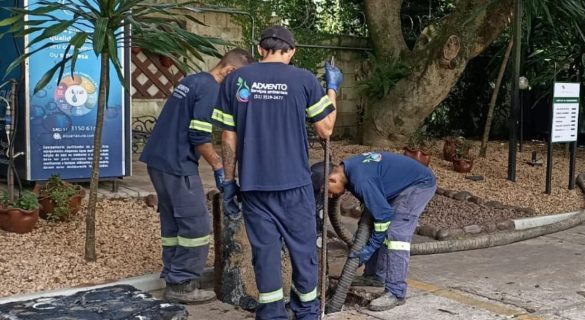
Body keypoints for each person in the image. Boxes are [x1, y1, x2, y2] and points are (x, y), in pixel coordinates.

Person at [211, 26, 343, 320]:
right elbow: (327, 129)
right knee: (304, 252)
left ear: (260, 49)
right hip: (294, 185)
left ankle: (271, 314)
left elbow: (228, 138)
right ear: (292, 51)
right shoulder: (304, 80)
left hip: (255, 186)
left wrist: (229, 181)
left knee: (266, 255)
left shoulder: (236, 80)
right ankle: (307, 311)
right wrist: (332, 88)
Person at [139, 48, 254, 304]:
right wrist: (218, 166)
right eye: (240, 80)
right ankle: (182, 285)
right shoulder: (211, 89)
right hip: (177, 165)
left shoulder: (192, 80)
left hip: (158, 161)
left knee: (173, 223)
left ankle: (173, 276)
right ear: (231, 71)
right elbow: (199, 137)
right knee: (196, 226)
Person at [311, 151, 437, 312]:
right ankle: (375, 276)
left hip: (418, 185)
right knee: (370, 227)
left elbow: (384, 217)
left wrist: (370, 248)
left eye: (326, 191)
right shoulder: (348, 170)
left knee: (396, 234)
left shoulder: (361, 180)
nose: (330, 195)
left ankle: (396, 292)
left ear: (332, 179)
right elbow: (375, 209)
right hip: (398, 184)